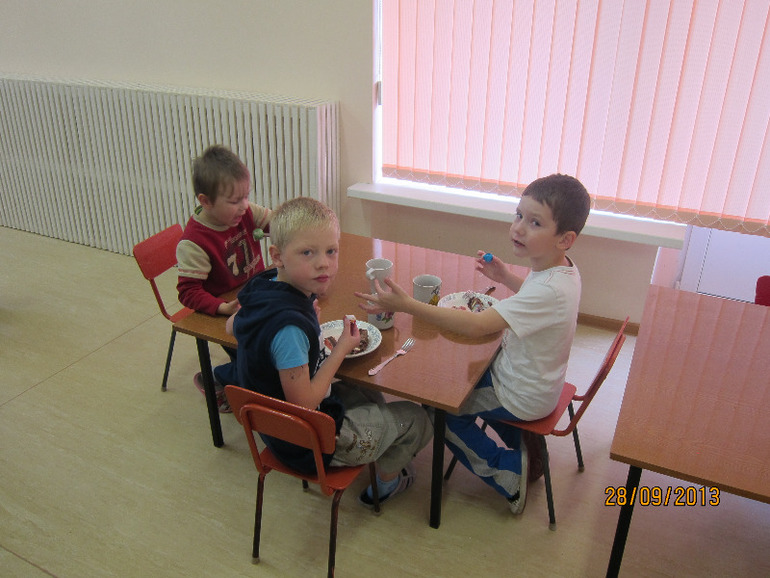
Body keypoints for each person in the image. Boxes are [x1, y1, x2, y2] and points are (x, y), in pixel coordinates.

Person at [357, 173, 591, 514]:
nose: (518, 228)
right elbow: (535, 295)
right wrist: (505, 277)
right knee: (456, 380)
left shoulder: (549, 290)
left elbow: (478, 325)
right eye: (519, 215)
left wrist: (407, 305)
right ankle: (525, 445)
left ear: (565, 239)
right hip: (537, 380)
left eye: (535, 222)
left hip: (520, 393)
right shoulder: (561, 270)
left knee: (440, 412)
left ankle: (509, 474)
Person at [227, 197, 432, 506]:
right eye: (307, 252)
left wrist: (301, 318)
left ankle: (382, 440)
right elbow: (305, 403)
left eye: (331, 251)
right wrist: (340, 348)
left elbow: (231, 326)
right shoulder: (290, 330)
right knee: (417, 418)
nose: (323, 263)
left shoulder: (263, 286)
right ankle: (388, 481)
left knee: (368, 390)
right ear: (277, 255)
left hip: (278, 427)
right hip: (306, 443)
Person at [176, 145, 272, 412]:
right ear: (205, 201)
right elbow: (188, 292)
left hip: (257, 294)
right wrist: (222, 307)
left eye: (246, 197)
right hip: (229, 311)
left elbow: (277, 223)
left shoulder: (245, 212)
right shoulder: (194, 242)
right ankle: (217, 379)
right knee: (261, 360)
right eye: (234, 201)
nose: (244, 206)